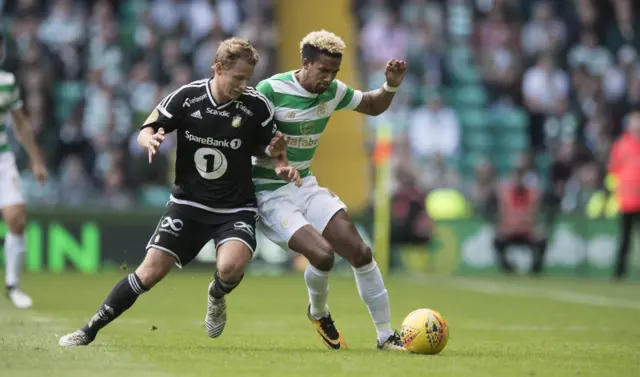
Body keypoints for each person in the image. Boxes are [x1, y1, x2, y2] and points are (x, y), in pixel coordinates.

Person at [58, 38, 301, 346]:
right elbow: (147, 128)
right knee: (148, 274)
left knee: (229, 266)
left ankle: (216, 295)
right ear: (217, 69)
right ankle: (89, 330)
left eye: (247, 78)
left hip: (234, 206)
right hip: (188, 202)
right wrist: (149, 141)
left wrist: (281, 161)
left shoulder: (256, 105)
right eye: (236, 77)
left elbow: (272, 147)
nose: (243, 84)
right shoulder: (187, 97)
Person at [254, 30, 407, 351]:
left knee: (361, 252)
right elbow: (244, 141)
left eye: (334, 72)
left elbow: (371, 104)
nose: (329, 79)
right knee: (322, 255)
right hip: (269, 192)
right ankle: (319, 313)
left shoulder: (333, 91)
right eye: (323, 71)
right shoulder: (270, 89)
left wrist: (390, 85)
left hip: (305, 184)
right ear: (305, 63)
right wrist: (272, 155)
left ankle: (385, 336)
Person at [0, 33, 48, 309]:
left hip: (2, 158)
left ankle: (12, 284)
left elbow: (20, 125)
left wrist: (37, 160)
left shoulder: (6, 84)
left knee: (16, 217)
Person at [493, 166, 547, 275]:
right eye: (516, 178)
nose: (518, 181)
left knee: (542, 238)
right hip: (511, 232)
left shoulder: (532, 194)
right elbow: (503, 216)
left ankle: (536, 268)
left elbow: (534, 215)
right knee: (497, 239)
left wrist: (530, 226)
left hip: (527, 232)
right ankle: (506, 267)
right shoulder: (506, 195)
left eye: (520, 178)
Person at [608, 106, 640, 280]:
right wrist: (616, 195)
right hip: (627, 200)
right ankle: (619, 271)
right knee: (624, 239)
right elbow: (613, 172)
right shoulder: (621, 145)